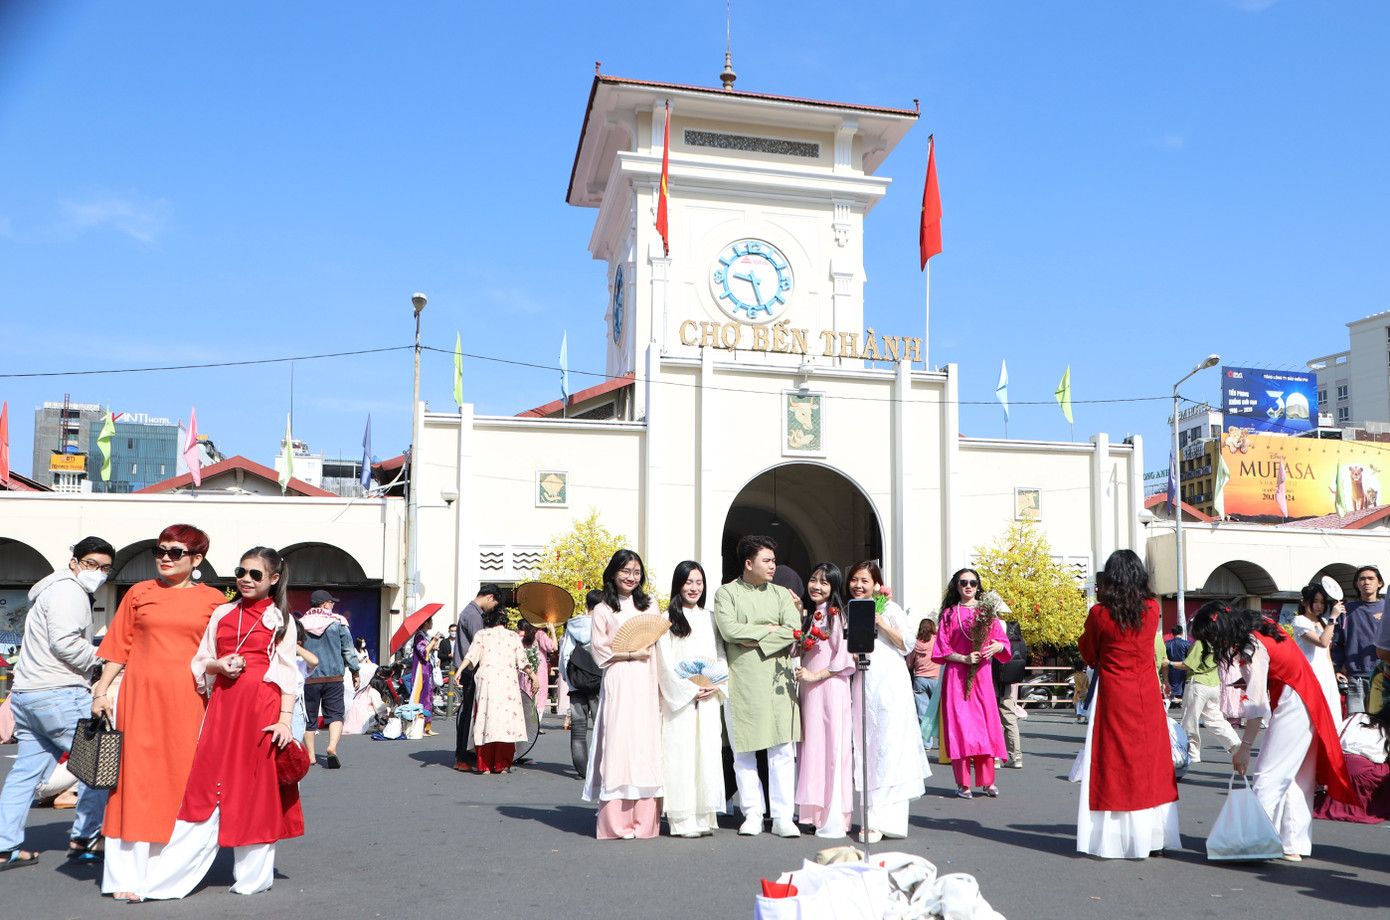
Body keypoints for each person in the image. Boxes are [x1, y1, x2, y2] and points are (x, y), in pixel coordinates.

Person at [137, 546, 305, 899]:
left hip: (262, 710)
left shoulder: (282, 619)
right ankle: (165, 882)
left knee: (256, 792)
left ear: (274, 579)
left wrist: (285, 722)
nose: (245, 579)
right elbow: (201, 661)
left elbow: (289, 674)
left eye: (255, 574)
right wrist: (219, 665)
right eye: (241, 572)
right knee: (203, 788)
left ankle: (253, 877)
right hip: (223, 708)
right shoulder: (223, 613)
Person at [91, 524, 225, 901]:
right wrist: (100, 691)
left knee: (180, 781)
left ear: (197, 559)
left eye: (176, 552)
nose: (165, 557)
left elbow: (222, 651)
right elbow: (118, 647)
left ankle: (168, 873)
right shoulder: (138, 592)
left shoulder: (214, 600)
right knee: (134, 782)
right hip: (139, 698)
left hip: (191, 701)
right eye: (160, 550)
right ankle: (126, 876)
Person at [1195, 601, 1357, 859]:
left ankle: (1251, 841)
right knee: (1297, 778)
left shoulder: (1250, 647)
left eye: (1210, 636)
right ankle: (1294, 846)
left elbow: (1256, 704)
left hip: (1292, 703)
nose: (1212, 643)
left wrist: (1244, 748)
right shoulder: (1263, 625)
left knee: (1268, 773)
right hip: (1309, 697)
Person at [0, 537, 115, 870]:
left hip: (26, 694)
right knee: (100, 766)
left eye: (105, 568)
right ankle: (87, 839)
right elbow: (66, 644)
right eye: (91, 564)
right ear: (74, 562)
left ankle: (6, 846)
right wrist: (106, 658)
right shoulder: (70, 592)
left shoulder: (50, 590)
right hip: (60, 693)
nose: (98, 572)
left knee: (24, 774)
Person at [1075, 549, 1177, 859]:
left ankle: (1116, 838)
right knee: (1151, 763)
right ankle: (1154, 837)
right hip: (1146, 692)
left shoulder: (1099, 614)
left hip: (1114, 693)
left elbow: (1089, 653)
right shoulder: (1153, 609)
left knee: (1114, 762)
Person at [714, 535, 801, 838]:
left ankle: (782, 816)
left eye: (774, 561)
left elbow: (793, 630)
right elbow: (728, 629)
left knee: (781, 749)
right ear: (749, 563)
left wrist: (751, 638)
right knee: (744, 750)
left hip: (779, 680)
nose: (773, 566)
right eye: (767, 560)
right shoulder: (726, 594)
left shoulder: (780, 594)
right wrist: (769, 630)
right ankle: (751, 812)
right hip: (742, 679)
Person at [583, 550, 664, 838]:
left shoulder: (650, 604)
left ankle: (644, 822)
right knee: (619, 741)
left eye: (636, 572)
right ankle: (615, 823)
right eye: (625, 571)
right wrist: (630, 653)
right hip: (619, 678)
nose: (631, 577)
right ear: (613, 573)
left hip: (647, 677)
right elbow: (599, 650)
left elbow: (658, 640)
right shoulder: (604, 608)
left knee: (645, 742)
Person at [844, 560, 927, 842]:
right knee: (867, 746)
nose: (858, 585)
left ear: (876, 585)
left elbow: (908, 644)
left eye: (864, 580)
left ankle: (888, 820)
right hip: (863, 684)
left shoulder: (889, 609)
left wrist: (881, 623)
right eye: (854, 580)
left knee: (890, 746)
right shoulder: (849, 610)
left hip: (890, 684)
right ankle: (870, 818)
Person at [655, 561, 728, 837]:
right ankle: (682, 818)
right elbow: (666, 661)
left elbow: (720, 655)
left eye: (699, 582)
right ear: (678, 584)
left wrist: (716, 682)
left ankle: (704, 815)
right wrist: (687, 688)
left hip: (707, 698)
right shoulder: (667, 619)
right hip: (681, 702)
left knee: (707, 754)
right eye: (688, 582)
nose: (694, 587)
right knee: (680, 754)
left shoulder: (710, 618)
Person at [933, 568, 1010, 800]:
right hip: (957, 678)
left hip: (982, 676)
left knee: (985, 727)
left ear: (978, 586)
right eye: (963, 582)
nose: (968, 586)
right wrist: (963, 658)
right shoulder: (949, 614)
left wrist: (997, 647)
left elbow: (1003, 642)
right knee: (961, 729)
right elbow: (941, 649)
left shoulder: (987, 613)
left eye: (973, 583)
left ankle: (988, 782)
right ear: (956, 586)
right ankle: (962, 783)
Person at [793, 562, 855, 839]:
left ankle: (833, 814)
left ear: (834, 587)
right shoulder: (810, 617)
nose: (816, 586)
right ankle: (811, 813)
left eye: (824, 582)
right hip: (810, 690)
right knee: (812, 749)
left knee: (832, 750)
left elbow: (843, 658)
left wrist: (815, 675)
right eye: (813, 579)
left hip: (830, 688)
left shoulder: (837, 617)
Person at [458, 604, 535, 774]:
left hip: (487, 683)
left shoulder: (482, 634)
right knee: (506, 722)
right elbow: (523, 661)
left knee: (486, 720)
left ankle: (484, 765)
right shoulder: (513, 637)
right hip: (507, 683)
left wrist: (459, 670)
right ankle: (502, 765)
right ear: (505, 623)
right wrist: (534, 677)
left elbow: (471, 656)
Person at [299, 590, 359, 767]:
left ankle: (310, 755)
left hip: (309, 677)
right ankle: (332, 746)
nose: (333, 605)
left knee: (309, 717)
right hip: (334, 677)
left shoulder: (300, 624)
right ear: (325, 604)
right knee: (335, 715)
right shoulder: (338, 622)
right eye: (331, 603)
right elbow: (348, 650)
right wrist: (355, 671)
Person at [1171, 619, 1241, 763]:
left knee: (1189, 719)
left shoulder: (1199, 643)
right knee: (1214, 718)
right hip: (1213, 684)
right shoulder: (1216, 643)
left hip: (1197, 684)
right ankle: (1234, 743)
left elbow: (1188, 665)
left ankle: (1192, 753)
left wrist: (1169, 663)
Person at [453, 584, 503, 772]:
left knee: (468, 713)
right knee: (468, 714)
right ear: (490, 597)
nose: (492, 608)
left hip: (467, 669)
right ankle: (461, 757)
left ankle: (466, 754)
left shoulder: (469, 611)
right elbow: (482, 644)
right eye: (494, 603)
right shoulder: (474, 615)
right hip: (471, 671)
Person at [1332, 565, 1385, 714]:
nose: (1366, 582)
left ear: (1380, 583)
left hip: (1383, 676)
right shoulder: (1346, 610)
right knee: (1356, 724)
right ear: (1356, 583)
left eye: (1371, 578)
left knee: (1382, 726)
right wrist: (1337, 669)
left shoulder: (1387, 608)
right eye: (1362, 579)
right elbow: (1336, 643)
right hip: (1355, 678)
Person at [560, 591, 602, 777]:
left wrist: (568, 679)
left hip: (577, 684)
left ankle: (583, 770)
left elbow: (565, 655)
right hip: (599, 683)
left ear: (587, 606)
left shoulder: (573, 625)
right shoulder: (605, 624)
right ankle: (600, 768)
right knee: (601, 727)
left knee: (578, 729)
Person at [1291, 582, 1344, 724]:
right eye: (1315, 601)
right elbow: (1322, 642)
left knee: (1330, 710)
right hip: (1309, 670)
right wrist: (1333, 618)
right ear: (1304, 602)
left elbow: (1327, 653)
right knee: (1310, 712)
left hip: (1325, 671)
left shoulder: (1324, 622)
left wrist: (1333, 674)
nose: (1319, 605)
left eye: (1322, 602)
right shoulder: (1300, 621)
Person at [992, 617, 1028, 769]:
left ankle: (995, 758)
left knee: (992, 719)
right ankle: (1016, 756)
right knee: (1010, 719)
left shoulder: (992, 633)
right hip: (1008, 682)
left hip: (991, 679)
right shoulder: (1019, 641)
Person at [906, 617, 941, 738]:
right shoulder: (937, 641)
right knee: (938, 711)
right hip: (936, 678)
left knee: (922, 712)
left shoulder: (916, 643)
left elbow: (909, 663)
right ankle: (941, 739)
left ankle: (926, 741)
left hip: (919, 679)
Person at [410, 616, 440, 734]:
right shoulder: (419, 636)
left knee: (428, 696)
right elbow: (423, 652)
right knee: (421, 696)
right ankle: (419, 724)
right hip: (421, 670)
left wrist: (434, 644)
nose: (432, 623)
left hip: (427, 668)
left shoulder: (425, 636)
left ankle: (427, 726)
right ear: (426, 623)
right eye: (430, 621)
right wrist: (433, 642)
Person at [520, 620, 557, 716]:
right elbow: (553, 647)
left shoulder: (527, 635)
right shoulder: (540, 634)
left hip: (526, 671)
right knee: (539, 698)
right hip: (539, 672)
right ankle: (536, 726)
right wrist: (552, 631)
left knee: (527, 697)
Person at [1165, 624, 1192, 705]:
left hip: (1171, 669)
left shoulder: (1167, 644)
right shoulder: (1186, 644)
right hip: (1183, 669)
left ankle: (1166, 705)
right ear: (1182, 633)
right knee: (1184, 692)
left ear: (1172, 633)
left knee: (1170, 693)